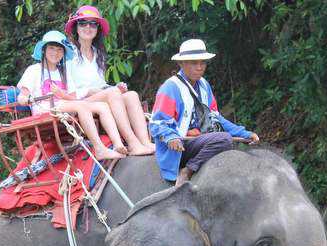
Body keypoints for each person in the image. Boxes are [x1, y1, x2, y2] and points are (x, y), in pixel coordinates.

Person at [150, 39, 260, 185]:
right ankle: (188, 170)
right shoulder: (170, 87)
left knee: (223, 141)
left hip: (200, 141)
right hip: (179, 146)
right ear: (181, 64)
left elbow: (215, 117)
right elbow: (156, 123)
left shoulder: (204, 85)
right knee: (223, 139)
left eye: (203, 63)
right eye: (194, 63)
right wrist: (170, 136)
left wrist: (243, 133)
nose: (200, 67)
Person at [16, 30, 126, 160]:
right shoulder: (34, 70)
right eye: (51, 48)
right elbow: (21, 97)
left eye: (59, 50)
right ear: (44, 50)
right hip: (45, 108)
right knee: (81, 107)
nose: (55, 53)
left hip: (63, 104)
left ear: (63, 53)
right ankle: (99, 149)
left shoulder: (63, 73)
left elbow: (73, 98)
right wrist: (28, 99)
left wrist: (61, 94)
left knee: (101, 106)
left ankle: (118, 144)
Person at [65, 5, 155, 156]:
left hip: (99, 97)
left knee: (131, 95)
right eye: (83, 23)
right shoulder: (68, 53)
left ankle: (145, 141)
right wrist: (93, 91)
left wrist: (114, 87)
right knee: (112, 93)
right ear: (76, 27)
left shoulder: (97, 52)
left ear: (98, 28)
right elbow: (67, 88)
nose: (88, 27)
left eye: (93, 24)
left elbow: (100, 83)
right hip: (78, 100)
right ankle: (133, 144)